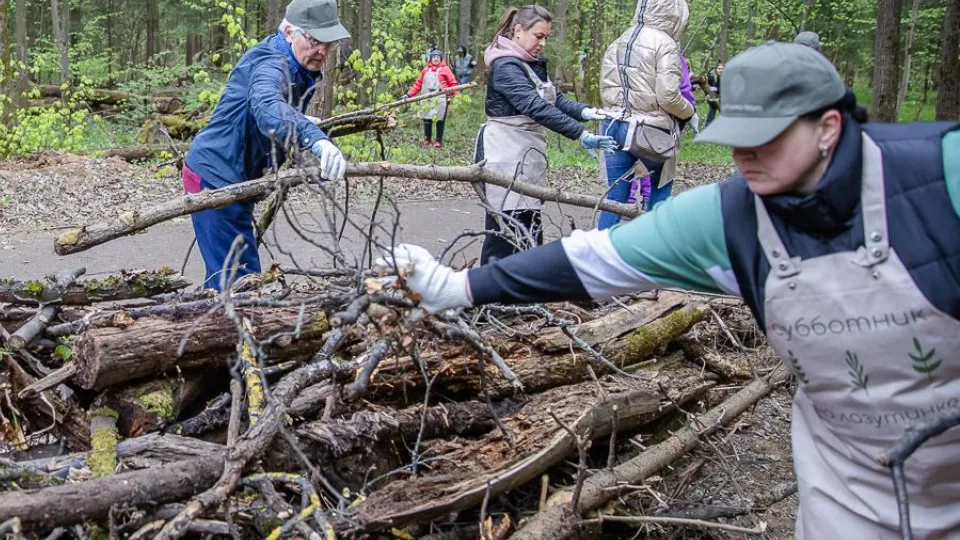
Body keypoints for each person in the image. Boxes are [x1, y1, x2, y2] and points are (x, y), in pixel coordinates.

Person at [378, 42, 960, 538]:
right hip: (848, 490)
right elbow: (591, 261)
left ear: (828, 127)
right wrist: (458, 287)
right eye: (737, 139)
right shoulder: (728, 218)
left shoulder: (941, 174)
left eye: (766, 139)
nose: (744, 158)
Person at [183, 0, 348, 290]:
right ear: (288, 32)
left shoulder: (296, 64)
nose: (322, 51)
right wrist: (314, 139)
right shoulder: (271, 62)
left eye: (329, 43)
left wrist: (296, 117)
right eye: (314, 40)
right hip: (216, 178)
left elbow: (270, 107)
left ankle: (214, 326)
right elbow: (266, 105)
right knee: (239, 284)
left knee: (229, 276)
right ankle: (218, 331)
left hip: (232, 176)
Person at [476, 4, 615, 264]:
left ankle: (525, 294)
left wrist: (585, 112)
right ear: (518, 30)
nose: (543, 43)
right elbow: (535, 106)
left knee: (530, 226)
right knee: (505, 231)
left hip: (526, 157)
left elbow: (554, 99)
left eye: (546, 37)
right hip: (503, 156)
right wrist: (580, 134)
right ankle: (491, 297)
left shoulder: (528, 64)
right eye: (539, 36)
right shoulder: (506, 66)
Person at [595, 0, 695, 229]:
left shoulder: (618, 41)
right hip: (650, 129)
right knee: (660, 190)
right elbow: (668, 96)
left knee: (614, 198)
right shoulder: (665, 44)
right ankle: (652, 248)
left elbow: (606, 89)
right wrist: (689, 112)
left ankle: (600, 252)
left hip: (613, 125)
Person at [627, 53, 697, 210]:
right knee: (660, 174)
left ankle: (631, 202)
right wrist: (688, 112)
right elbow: (682, 93)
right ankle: (649, 209)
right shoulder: (672, 55)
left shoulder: (628, 51)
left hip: (628, 120)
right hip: (661, 122)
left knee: (634, 165)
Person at [407, 49, 459, 148]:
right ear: (431, 59)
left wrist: (456, 95)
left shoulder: (446, 69)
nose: (436, 59)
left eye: (438, 57)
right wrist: (409, 95)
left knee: (440, 120)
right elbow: (418, 84)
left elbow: (453, 83)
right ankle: (427, 139)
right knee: (427, 119)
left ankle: (438, 140)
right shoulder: (425, 70)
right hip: (426, 99)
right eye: (434, 57)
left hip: (441, 99)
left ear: (441, 59)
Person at [705, 62, 723, 126]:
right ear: (716, 69)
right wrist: (708, 94)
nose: (720, 70)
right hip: (714, 99)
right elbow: (707, 87)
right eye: (719, 68)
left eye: (722, 69)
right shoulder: (712, 77)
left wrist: (716, 89)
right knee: (711, 115)